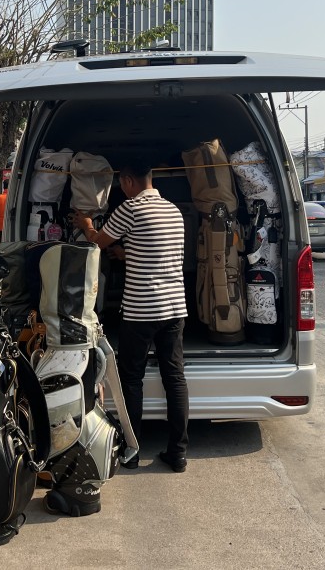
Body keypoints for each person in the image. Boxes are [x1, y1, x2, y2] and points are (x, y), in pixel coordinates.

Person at [69, 159, 189, 473]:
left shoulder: (130, 209)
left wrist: (86, 224)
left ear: (127, 181)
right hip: (175, 308)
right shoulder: (174, 211)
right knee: (174, 379)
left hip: (141, 310)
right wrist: (126, 253)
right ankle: (178, 454)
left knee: (131, 380)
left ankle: (132, 453)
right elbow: (160, 251)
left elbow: (96, 243)